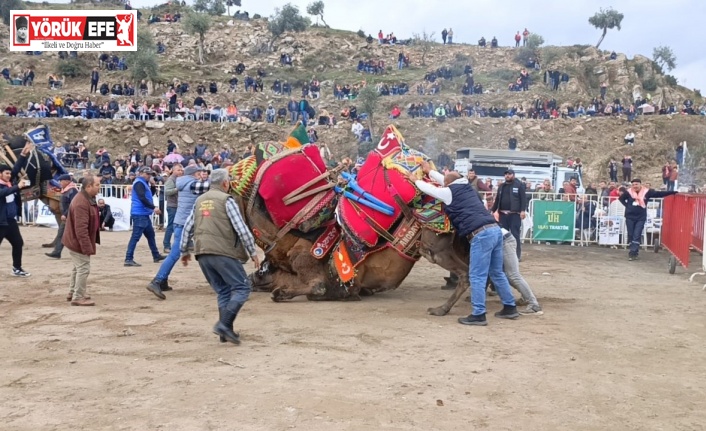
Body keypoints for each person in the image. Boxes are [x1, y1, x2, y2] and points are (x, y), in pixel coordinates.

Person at [409, 163, 518, 326]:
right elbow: (445, 180)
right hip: (495, 230)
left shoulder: (448, 193)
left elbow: (431, 189)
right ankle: (510, 307)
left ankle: (478, 314)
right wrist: (430, 171)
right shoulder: (465, 185)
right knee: (496, 273)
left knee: (477, 275)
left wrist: (414, 180)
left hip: (480, 234)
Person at [179, 169, 259, 344]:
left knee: (223, 290)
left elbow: (187, 227)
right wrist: (253, 252)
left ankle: (226, 332)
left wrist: (184, 251)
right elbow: (241, 228)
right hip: (223, 252)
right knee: (242, 288)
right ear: (225, 183)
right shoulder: (227, 200)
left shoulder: (199, 200)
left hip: (202, 253)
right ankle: (223, 325)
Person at [146, 164, 208, 298]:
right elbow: (211, 186)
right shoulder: (192, 184)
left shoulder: (184, 183)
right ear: (194, 174)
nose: (201, 176)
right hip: (185, 224)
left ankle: (163, 281)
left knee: (176, 253)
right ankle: (157, 281)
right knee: (174, 254)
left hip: (182, 222)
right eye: (199, 174)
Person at [62, 174, 101, 306]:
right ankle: (78, 296)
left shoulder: (86, 198)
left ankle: (73, 291)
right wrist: (87, 247)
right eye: (97, 185)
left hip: (74, 240)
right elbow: (81, 229)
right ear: (88, 186)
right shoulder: (81, 203)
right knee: (83, 268)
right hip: (77, 241)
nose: (99, 187)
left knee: (77, 267)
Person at [619, 179, 676, 261]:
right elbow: (621, 199)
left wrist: (672, 192)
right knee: (631, 235)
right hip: (630, 216)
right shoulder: (628, 192)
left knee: (637, 234)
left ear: (640, 185)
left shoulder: (647, 192)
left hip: (641, 217)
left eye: (637, 184)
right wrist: (628, 206)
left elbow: (658, 194)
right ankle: (634, 250)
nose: (635, 186)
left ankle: (633, 253)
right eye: (634, 184)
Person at [124, 167, 165, 266]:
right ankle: (128, 258)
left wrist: (153, 185)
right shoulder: (139, 183)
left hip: (143, 214)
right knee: (135, 237)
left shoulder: (142, 183)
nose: (149, 176)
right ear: (141, 173)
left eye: (150, 174)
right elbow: (142, 198)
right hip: (140, 214)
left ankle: (156, 255)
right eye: (147, 174)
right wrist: (153, 207)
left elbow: (150, 194)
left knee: (150, 235)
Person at [0, 164, 31, 277]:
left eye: (10, 173)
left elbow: (17, 168)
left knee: (18, 243)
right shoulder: (6, 186)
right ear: (0, 174)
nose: (9, 175)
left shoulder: (9, 184)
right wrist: (17, 186)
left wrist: (23, 155)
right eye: (6, 173)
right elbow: (3, 193)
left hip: (11, 222)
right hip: (1, 222)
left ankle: (17, 268)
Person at [490, 169, 527, 259]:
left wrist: (522, 210)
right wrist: (492, 210)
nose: (507, 175)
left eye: (509, 174)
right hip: (503, 214)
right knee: (503, 235)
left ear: (513, 175)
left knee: (515, 235)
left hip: (514, 214)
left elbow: (523, 199)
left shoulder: (519, 185)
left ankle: (517, 255)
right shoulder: (502, 186)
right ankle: (503, 255)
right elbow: (497, 200)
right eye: (506, 174)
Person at [45, 174, 78, 259]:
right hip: (68, 216)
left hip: (71, 216)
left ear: (67, 181)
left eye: (61, 181)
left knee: (70, 235)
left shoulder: (72, 190)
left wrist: (65, 214)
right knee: (62, 234)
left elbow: (73, 204)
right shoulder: (67, 190)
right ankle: (57, 252)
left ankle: (82, 250)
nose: (60, 183)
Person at [162, 163, 183, 252]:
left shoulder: (180, 179)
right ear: (173, 171)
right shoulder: (171, 180)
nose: (180, 171)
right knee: (171, 226)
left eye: (181, 170)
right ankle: (166, 245)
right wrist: (177, 189)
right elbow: (167, 192)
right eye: (178, 170)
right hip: (172, 206)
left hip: (178, 206)